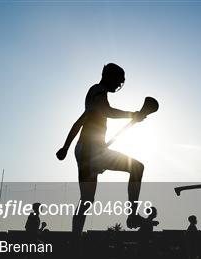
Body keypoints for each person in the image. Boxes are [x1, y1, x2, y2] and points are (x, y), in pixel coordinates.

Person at [56, 63, 148, 236]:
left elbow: (78, 123)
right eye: (118, 81)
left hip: (87, 150)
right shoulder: (98, 91)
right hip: (90, 150)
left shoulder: (94, 96)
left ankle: (75, 239)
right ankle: (133, 215)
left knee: (87, 200)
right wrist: (132, 114)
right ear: (110, 77)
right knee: (137, 167)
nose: (118, 85)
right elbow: (107, 111)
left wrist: (66, 147)